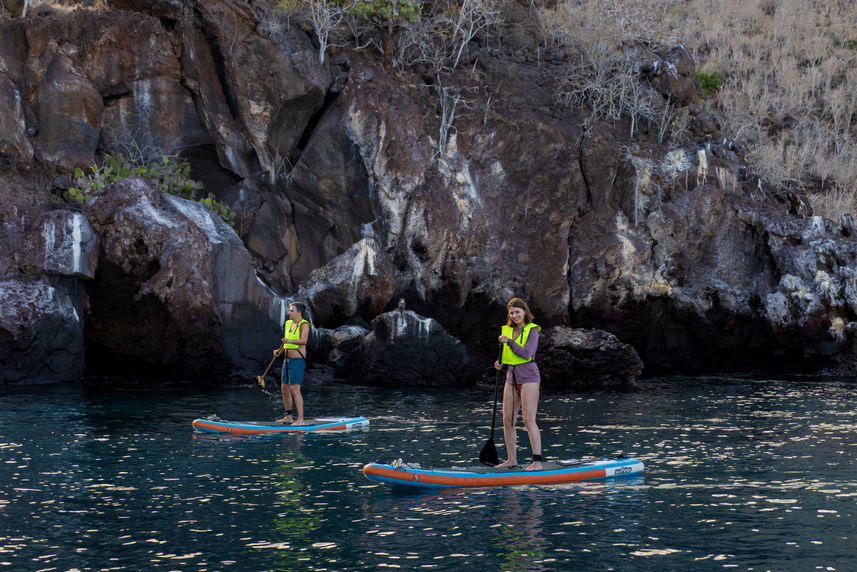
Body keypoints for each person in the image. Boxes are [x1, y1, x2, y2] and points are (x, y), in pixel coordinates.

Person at [494, 297, 543, 471]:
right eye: (512, 313)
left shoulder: (532, 330)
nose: (515, 315)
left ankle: (537, 462)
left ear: (524, 312)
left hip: (529, 377)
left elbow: (527, 354)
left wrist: (509, 342)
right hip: (510, 377)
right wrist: (499, 363)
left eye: (518, 312)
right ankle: (512, 460)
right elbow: (509, 356)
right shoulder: (507, 331)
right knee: (508, 420)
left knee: (529, 420)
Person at [273, 302, 310, 425]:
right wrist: (279, 351)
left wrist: (290, 340)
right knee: (285, 388)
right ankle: (288, 417)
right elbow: (285, 342)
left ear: (299, 312)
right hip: (286, 360)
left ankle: (300, 420)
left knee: (295, 389)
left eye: (292, 310)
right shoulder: (288, 323)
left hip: (298, 360)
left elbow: (304, 341)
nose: (289, 312)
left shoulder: (304, 324)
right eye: (290, 310)